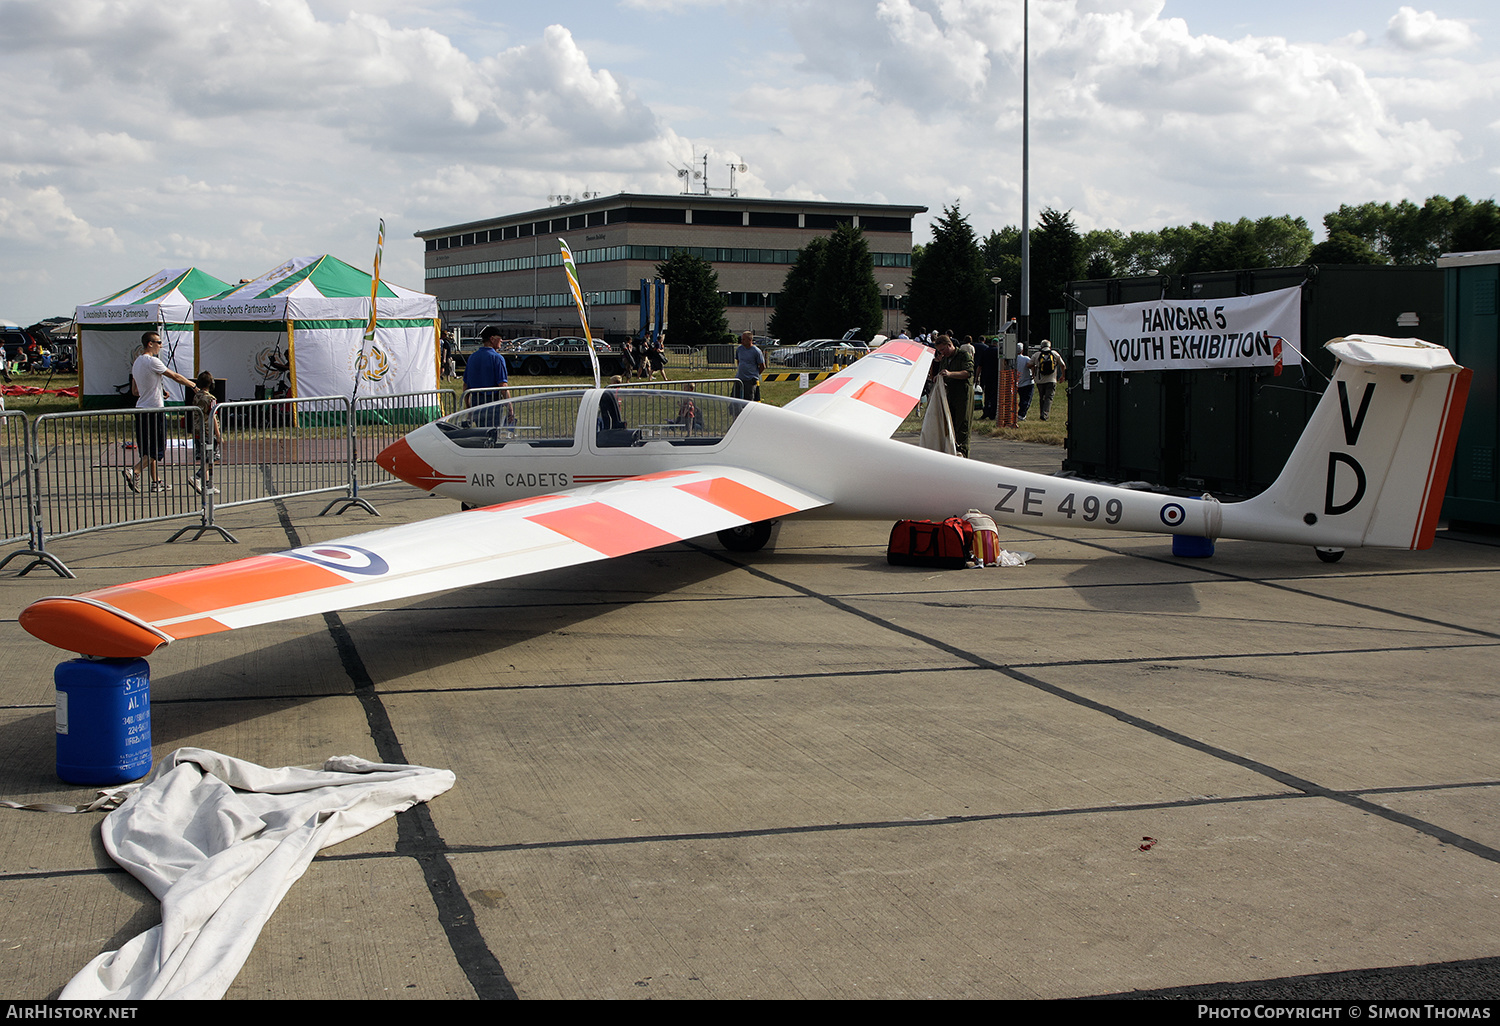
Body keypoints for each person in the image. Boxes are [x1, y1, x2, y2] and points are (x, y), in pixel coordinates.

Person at [124, 331, 198, 493]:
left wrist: (158, 390)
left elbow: (136, 391)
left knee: (148, 449)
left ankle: (156, 481)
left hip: (141, 408)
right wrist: (193, 386)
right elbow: (175, 376)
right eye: (158, 342)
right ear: (150, 344)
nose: (160, 346)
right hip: (154, 410)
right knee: (158, 449)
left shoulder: (137, 362)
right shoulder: (152, 361)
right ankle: (134, 471)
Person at [930, 334, 974, 458]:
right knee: (950, 426)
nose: (942, 353)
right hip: (950, 396)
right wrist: (937, 377)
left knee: (962, 426)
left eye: (943, 349)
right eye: (940, 351)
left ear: (950, 345)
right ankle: (953, 453)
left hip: (963, 396)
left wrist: (950, 374)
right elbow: (943, 372)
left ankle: (963, 454)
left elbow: (967, 373)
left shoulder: (963, 356)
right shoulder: (945, 359)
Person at [187, 370, 222, 495]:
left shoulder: (196, 396)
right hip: (208, 431)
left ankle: (208, 485)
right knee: (214, 457)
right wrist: (218, 435)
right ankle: (197, 477)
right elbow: (213, 416)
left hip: (197, 430)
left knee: (205, 459)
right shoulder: (211, 398)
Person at [463, 326, 509, 406]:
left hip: (475, 401)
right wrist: (510, 409)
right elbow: (503, 385)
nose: (501, 340)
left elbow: (465, 384)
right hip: (493, 402)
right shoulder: (497, 358)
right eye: (499, 338)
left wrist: (468, 407)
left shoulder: (472, 357)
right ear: (492, 339)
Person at [1033, 339, 1063, 421]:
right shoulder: (1054, 354)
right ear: (1049, 346)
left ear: (1041, 346)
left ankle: (1041, 413)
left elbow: (1029, 364)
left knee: (1041, 397)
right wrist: (1063, 375)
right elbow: (1063, 365)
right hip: (1051, 379)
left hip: (1040, 380)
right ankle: (1045, 414)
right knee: (1048, 398)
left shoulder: (1037, 354)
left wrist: (1034, 371)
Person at [734, 330, 765, 402]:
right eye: (742, 339)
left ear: (750, 340)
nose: (742, 341)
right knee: (735, 399)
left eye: (744, 339)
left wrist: (754, 375)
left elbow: (762, 366)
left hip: (750, 380)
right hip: (739, 378)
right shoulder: (739, 349)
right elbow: (739, 361)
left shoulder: (756, 351)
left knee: (748, 400)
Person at [1015, 342, 1034, 421]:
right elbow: (1032, 365)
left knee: (1018, 399)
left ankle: (1017, 413)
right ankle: (1021, 415)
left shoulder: (1013, 360)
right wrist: (1033, 374)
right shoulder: (1026, 359)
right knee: (1026, 399)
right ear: (1022, 350)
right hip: (1027, 382)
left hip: (1017, 382)